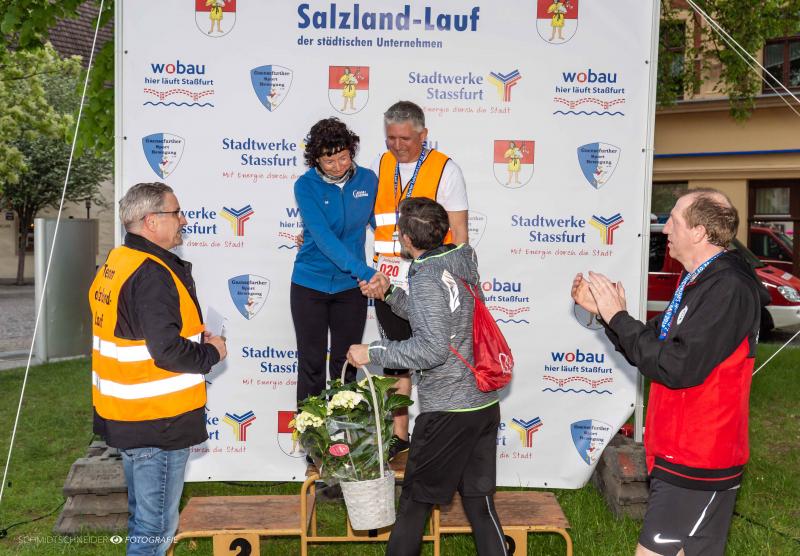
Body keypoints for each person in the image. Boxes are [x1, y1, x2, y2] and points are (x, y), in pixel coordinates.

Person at [571, 189, 769, 556]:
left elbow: (676, 365)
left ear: (698, 231)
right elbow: (651, 350)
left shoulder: (727, 287)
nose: (665, 230)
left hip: (699, 458)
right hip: (679, 451)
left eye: (673, 220)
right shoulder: (700, 281)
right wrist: (606, 315)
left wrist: (618, 316)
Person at [348, 197, 506, 556]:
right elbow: (436, 319)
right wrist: (390, 293)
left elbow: (431, 350)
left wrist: (373, 352)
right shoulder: (458, 260)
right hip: (482, 405)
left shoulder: (427, 276)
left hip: (448, 412)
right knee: (480, 504)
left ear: (406, 239)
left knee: (414, 506)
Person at [89, 182, 227, 556]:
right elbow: (166, 351)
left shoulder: (118, 261)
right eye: (176, 213)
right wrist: (211, 353)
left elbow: (137, 333)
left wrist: (193, 340)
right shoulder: (151, 273)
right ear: (151, 221)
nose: (184, 220)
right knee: (154, 531)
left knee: (142, 521)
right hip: (158, 422)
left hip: (128, 417)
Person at [371, 100, 469, 459]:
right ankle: (400, 435)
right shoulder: (380, 164)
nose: (397, 146)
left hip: (432, 281)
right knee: (396, 358)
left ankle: (439, 431)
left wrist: (461, 281)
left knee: (439, 357)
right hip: (390, 278)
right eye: (391, 138)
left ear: (423, 135)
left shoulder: (446, 170)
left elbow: (459, 232)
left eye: (405, 139)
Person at [291, 117, 386, 407]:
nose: (337, 166)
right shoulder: (305, 186)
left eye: (343, 157)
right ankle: (312, 433)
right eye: (328, 161)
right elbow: (323, 238)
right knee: (311, 365)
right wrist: (366, 271)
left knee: (347, 365)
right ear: (316, 160)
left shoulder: (368, 180)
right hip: (310, 285)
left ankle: (345, 431)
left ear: (351, 151)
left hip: (351, 288)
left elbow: (380, 225)